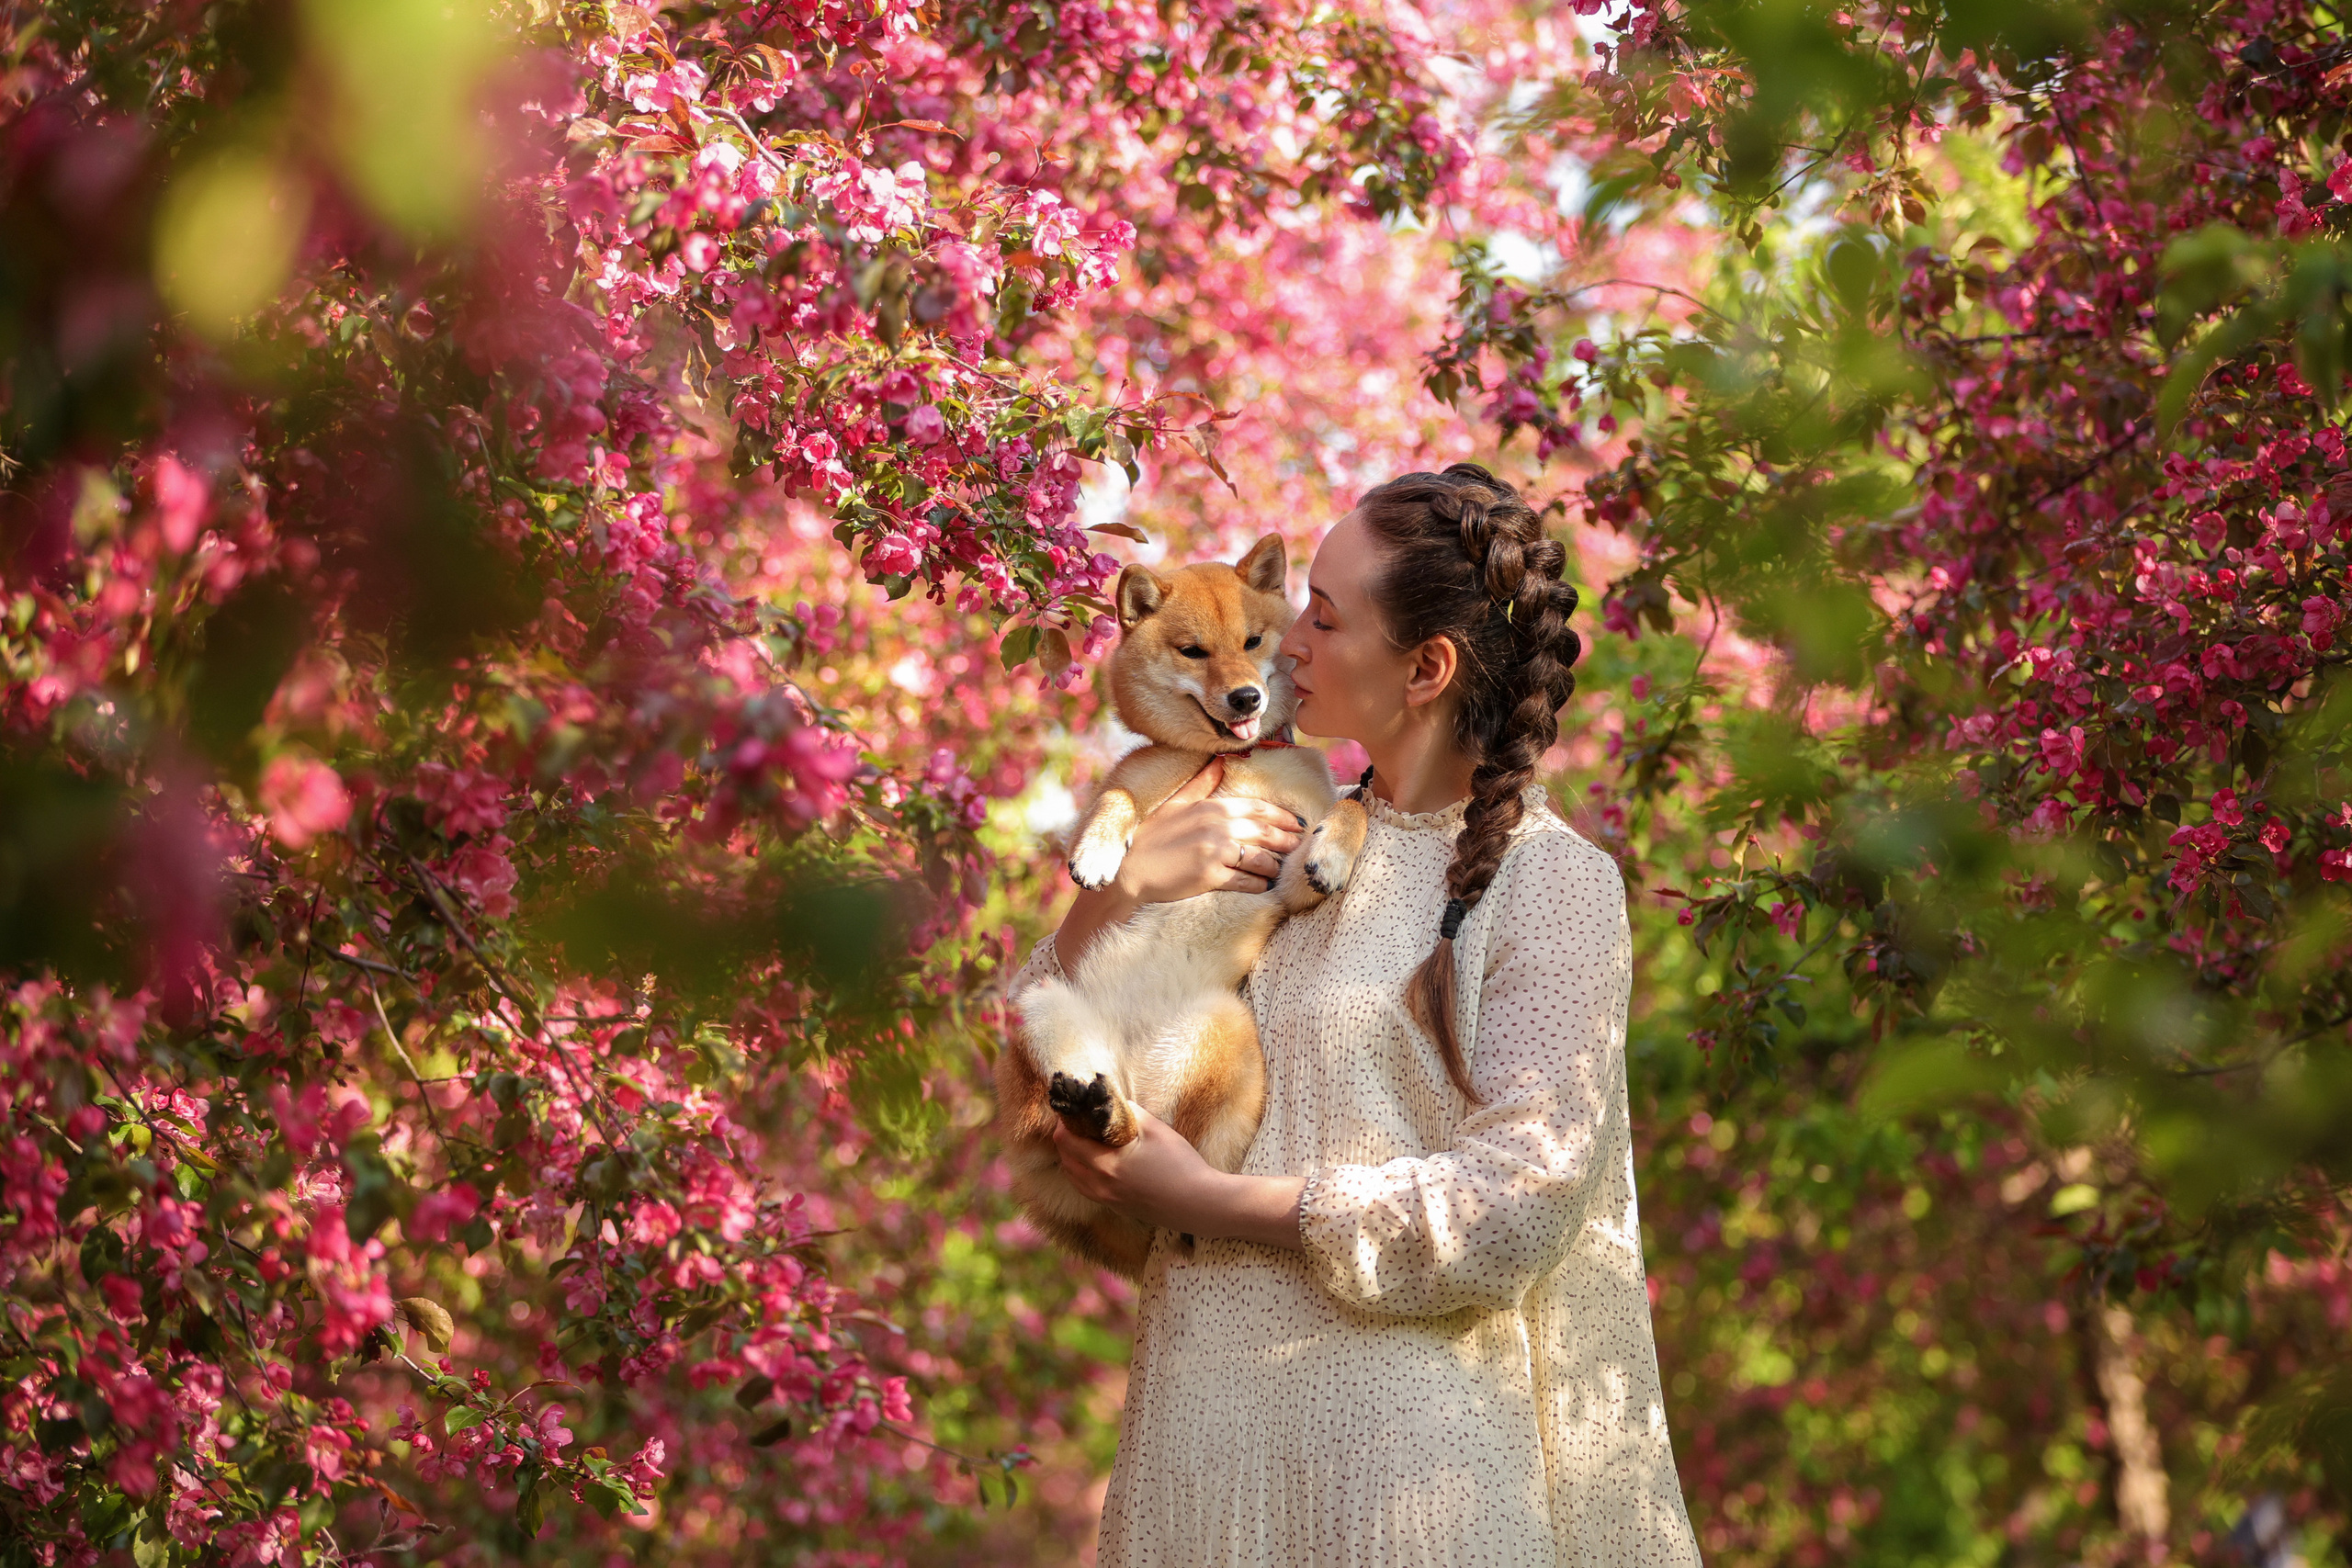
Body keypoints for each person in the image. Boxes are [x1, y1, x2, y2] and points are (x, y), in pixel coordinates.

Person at [1003, 463, 1702, 1567]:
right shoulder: (1268, 828)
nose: (1279, 648)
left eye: (1320, 621)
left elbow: (1514, 1206)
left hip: (1403, 1479)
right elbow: (1038, 1042)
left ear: (1424, 668)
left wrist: (1213, 1199)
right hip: (1202, 1458)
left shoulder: (1548, 884)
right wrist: (1123, 887)